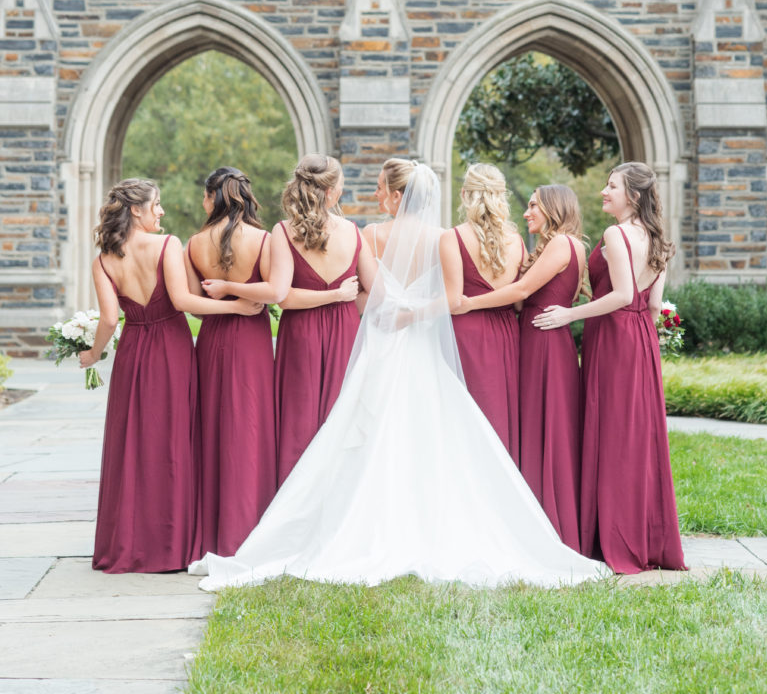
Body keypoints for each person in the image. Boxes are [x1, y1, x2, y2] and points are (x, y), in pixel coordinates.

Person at [190, 165, 607, 589]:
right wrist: (417, 311)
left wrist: (383, 311)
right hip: (426, 342)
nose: (376, 194)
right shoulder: (443, 237)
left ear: (394, 194)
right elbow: (456, 294)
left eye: (379, 188)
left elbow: (377, 296)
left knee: (369, 429)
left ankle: (366, 519)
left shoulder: (370, 235)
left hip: (386, 340)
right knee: (435, 433)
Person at [84, 178, 262, 573]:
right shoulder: (167, 245)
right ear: (136, 210)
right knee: (176, 444)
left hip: (133, 353)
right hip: (173, 351)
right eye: (156, 205)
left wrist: (93, 353)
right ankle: (174, 545)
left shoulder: (102, 260)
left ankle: (127, 543)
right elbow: (183, 301)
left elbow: (111, 319)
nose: (161, 212)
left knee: (132, 444)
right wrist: (238, 308)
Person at [534, 162, 686, 574]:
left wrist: (569, 314)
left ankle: (611, 538)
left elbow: (620, 295)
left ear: (632, 196)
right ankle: (644, 536)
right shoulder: (657, 239)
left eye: (612, 186)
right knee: (637, 434)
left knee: (610, 433)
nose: (604, 191)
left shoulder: (616, 234)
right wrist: (641, 342)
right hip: (640, 339)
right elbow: (652, 305)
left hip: (614, 336)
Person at [453, 184, 585, 552]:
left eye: (533, 206)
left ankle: (549, 527)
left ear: (555, 209)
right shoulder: (561, 244)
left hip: (543, 344)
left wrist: (467, 304)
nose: (526, 213)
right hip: (537, 339)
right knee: (537, 429)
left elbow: (521, 291)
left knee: (547, 429)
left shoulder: (561, 243)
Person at [184, 167, 282, 557]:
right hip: (252, 341)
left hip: (212, 340)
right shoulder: (264, 239)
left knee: (212, 428)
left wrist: (224, 294)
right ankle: (252, 525)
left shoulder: (192, 244)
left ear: (212, 198)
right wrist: (242, 302)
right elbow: (274, 292)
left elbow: (197, 307)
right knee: (252, 427)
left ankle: (213, 530)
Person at [270, 155, 376, 485]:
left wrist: (328, 296)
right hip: (345, 330)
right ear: (330, 191)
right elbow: (376, 292)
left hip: (301, 332)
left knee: (298, 419)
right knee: (340, 413)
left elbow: (283, 296)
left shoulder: (284, 231)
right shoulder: (353, 232)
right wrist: (340, 297)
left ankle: (295, 495)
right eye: (341, 184)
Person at [440, 164, 524, 459]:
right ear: (501, 197)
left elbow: (453, 301)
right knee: (501, 410)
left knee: (465, 412)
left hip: (466, 333)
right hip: (506, 333)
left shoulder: (452, 238)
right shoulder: (518, 241)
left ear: (465, 195)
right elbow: (517, 303)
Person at [365, 156, 416, 260]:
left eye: (379, 188)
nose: (375, 194)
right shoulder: (440, 236)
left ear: (396, 196)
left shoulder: (373, 234)